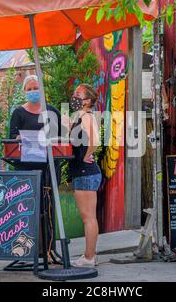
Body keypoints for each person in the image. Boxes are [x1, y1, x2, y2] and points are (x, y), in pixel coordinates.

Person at [69, 84, 102, 267]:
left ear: (88, 100)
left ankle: (89, 257)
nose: (75, 96)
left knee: (88, 217)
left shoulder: (87, 117)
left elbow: (95, 141)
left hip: (85, 172)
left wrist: (87, 156)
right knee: (89, 216)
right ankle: (90, 255)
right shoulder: (80, 116)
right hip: (83, 172)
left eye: (79, 94)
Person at [9, 75, 62, 180]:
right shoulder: (18, 113)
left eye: (36, 88)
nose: (33, 91)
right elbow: (12, 135)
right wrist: (17, 138)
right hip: (26, 165)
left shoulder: (53, 111)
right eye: (29, 89)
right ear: (24, 91)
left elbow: (62, 136)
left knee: (49, 195)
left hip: (50, 165)